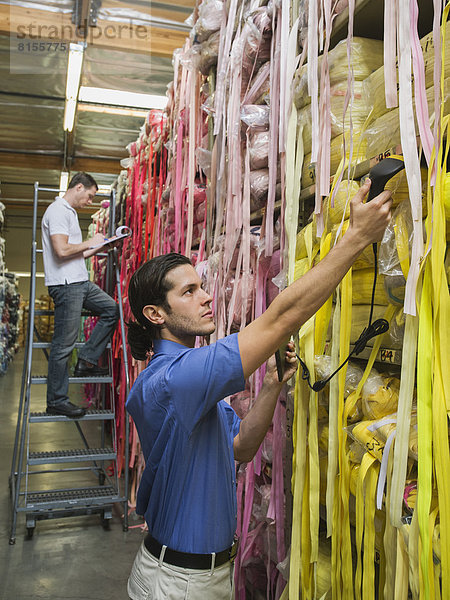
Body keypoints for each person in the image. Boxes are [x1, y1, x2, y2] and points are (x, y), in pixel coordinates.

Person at [125, 179, 392, 600]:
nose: (207, 297)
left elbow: (240, 447)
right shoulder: (175, 379)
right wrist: (357, 237)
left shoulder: (184, 384)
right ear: (155, 314)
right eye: (190, 292)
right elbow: (279, 318)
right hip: (177, 582)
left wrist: (270, 385)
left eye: (202, 286)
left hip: (200, 575)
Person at [41, 172, 120, 418]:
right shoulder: (58, 211)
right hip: (66, 285)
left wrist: (102, 246)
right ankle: (56, 399)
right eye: (90, 196)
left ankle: (86, 360)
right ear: (78, 187)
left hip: (79, 281)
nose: (90, 202)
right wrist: (89, 242)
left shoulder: (70, 213)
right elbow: (62, 250)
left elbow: (75, 254)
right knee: (63, 344)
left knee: (111, 309)